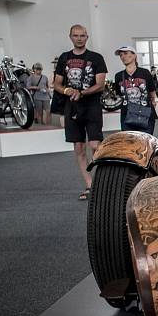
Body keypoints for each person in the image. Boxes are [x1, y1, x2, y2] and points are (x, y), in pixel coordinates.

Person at [53, 24, 107, 201]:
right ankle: (90, 185)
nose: (79, 38)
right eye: (76, 35)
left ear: (87, 37)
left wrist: (82, 92)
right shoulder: (64, 58)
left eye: (82, 35)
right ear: (70, 37)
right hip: (72, 107)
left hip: (91, 106)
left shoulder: (96, 57)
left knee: (95, 146)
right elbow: (58, 84)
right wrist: (68, 91)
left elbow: (100, 84)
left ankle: (102, 183)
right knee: (78, 147)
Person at [113, 45, 157, 134]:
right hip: (127, 116)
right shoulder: (118, 76)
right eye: (121, 55)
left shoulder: (145, 73)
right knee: (129, 145)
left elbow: (152, 91)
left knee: (145, 143)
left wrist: (152, 102)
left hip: (145, 114)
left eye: (126, 53)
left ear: (134, 55)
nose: (123, 57)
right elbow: (119, 95)